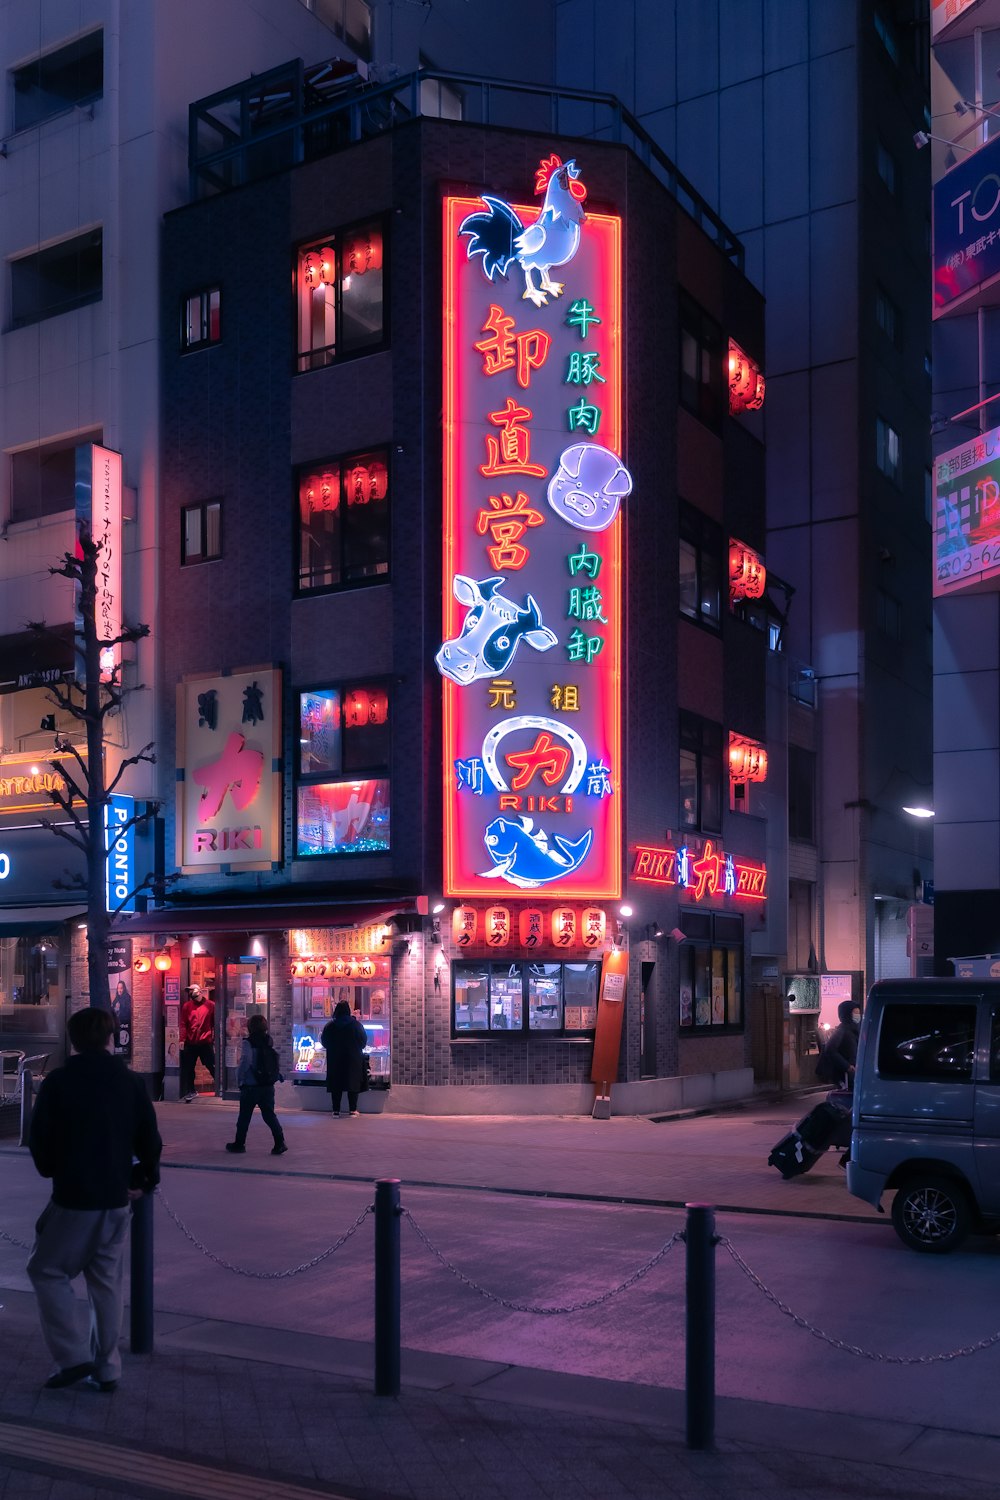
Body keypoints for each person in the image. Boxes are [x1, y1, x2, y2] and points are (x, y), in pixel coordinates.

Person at [26, 1006, 161, 1394]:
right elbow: (148, 1137)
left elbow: (41, 1141)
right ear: (110, 1037)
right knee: (106, 1283)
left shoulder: (59, 1082)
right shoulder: (131, 1081)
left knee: (46, 1270)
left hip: (75, 1196)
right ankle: (108, 1367)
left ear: (74, 1039)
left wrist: (52, 1168)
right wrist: (143, 1178)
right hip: (118, 1197)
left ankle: (72, 1355)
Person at [225, 1013, 287, 1156]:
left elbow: (245, 1062)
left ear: (250, 1027)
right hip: (267, 1086)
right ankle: (280, 1142)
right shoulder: (268, 1041)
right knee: (269, 1116)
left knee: (244, 1117)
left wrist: (239, 1078)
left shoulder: (248, 1042)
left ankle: (239, 1144)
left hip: (251, 1086)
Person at [321, 999, 367, 1117]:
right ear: (348, 1010)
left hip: (335, 1059)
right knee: (352, 1083)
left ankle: (336, 1110)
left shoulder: (330, 1026)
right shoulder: (356, 1025)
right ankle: (352, 1110)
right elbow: (363, 1042)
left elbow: (324, 1042)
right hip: (353, 1059)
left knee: (336, 1084)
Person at [179, 983, 216, 1101]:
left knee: (211, 1064)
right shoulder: (187, 1006)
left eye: (192, 991)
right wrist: (182, 1039)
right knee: (189, 1067)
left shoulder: (210, 1005)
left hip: (205, 1041)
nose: (190, 993)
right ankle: (191, 1090)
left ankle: (220, 1086)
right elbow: (183, 1024)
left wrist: (214, 1038)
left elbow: (214, 1023)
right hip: (191, 1041)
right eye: (189, 991)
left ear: (199, 992)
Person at [818, 1000, 862, 1089]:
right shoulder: (842, 1030)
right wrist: (847, 1066)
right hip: (844, 1075)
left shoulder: (854, 1030)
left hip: (852, 1074)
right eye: (855, 1013)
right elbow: (830, 1049)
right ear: (847, 1014)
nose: (858, 1016)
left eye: (858, 1013)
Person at [111, 979, 131, 1052]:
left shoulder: (128, 998)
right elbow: (112, 1008)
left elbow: (129, 1011)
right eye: (118, 988)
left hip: (125, 1024)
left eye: (121, 988)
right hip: (118, 1023)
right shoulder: (117, 997)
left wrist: (120, 1008)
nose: (119, 990)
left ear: (124, 989)